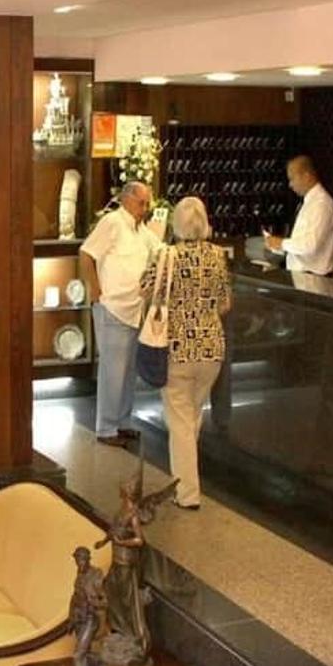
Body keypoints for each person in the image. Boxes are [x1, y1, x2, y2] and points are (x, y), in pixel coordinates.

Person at [140, 196, 232, 510]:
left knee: (180, 421)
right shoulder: (218, 255)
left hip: (176, 349)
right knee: (191, 415)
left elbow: (144, 290)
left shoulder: (167, 255)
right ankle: (184, 476)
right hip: (212, 349)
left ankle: (187, 494)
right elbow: (225, 303)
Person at [80, 181, 163, 448]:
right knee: (112, 371)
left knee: (128, 372)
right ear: (127, 200)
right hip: (112, 307)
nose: (145, 208)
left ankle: (123, 422)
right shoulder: (112, 222)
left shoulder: (142, 230)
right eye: (141, 203)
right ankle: (106, 428)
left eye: (147, 203)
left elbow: (161, 250)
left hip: (135, 309)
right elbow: (86, 254)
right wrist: (96, 292)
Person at [264, 155, 333, 292]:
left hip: (315, 283)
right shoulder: (308, 203)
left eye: (292, 178)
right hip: (303, 280)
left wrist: (281, 243)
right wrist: (277, 246)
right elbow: (301, 242)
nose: (290, 185)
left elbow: (310, 245)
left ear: (306, 176)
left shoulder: (321, 204)